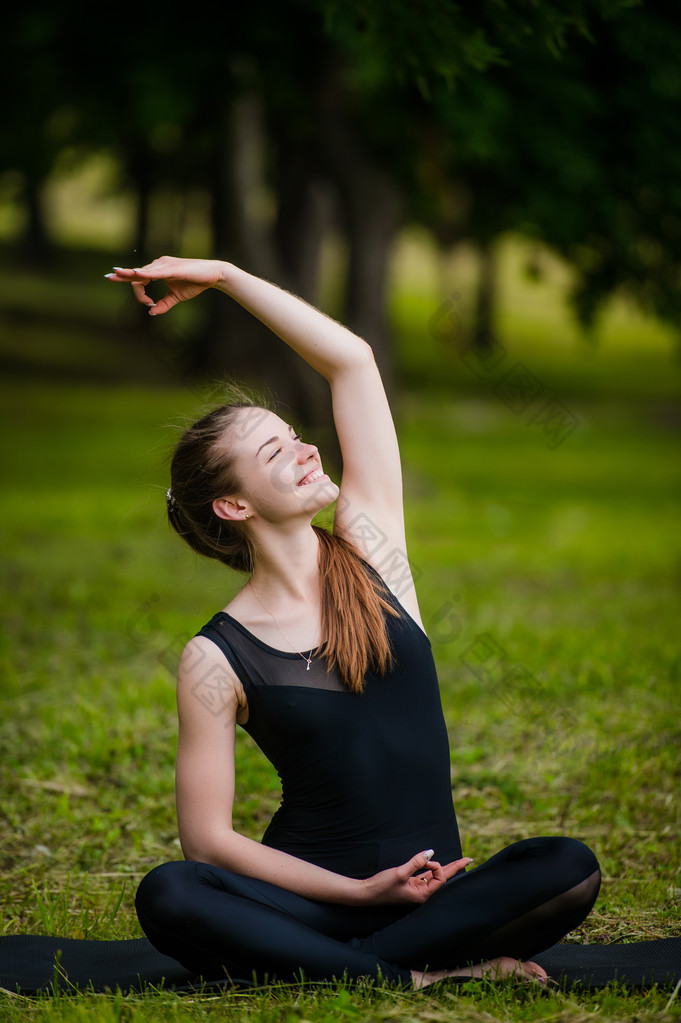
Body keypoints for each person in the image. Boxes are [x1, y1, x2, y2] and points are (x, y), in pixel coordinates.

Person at [107, 257, 601, 990]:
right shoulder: (215, 655)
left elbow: (353, 362)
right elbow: (207, 840)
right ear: (232, 505)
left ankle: (349, 970)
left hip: (437, 894)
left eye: (294, 433)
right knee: (170, 890)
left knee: (568, 866)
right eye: (275, 451)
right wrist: (359, 892)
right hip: (312, 905)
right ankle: (417, 978)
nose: (308, 448)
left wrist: (225, 277)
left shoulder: (373, 551)